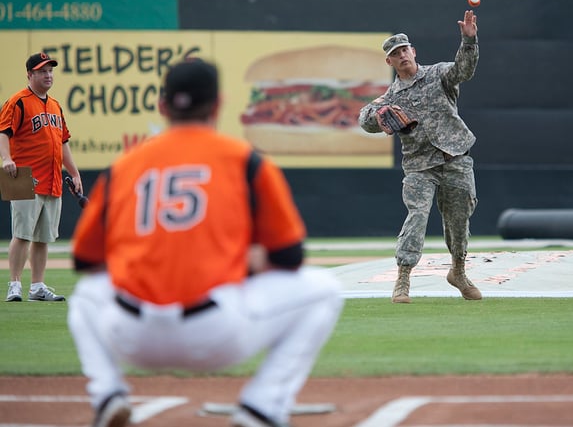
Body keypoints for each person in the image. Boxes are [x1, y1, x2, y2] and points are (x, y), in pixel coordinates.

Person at [67, 58, 343, 427]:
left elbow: (84, 260)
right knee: (324, 290)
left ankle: (107, 394)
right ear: (218, 105)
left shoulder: (124, 166)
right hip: (214, 333)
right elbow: (290, 256)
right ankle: (261, 408)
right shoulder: (245, 160)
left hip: (132, 333)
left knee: (86, 294)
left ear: (162, 106)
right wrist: (243, 261)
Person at [358, 10, 482, 304]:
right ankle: (402, 279)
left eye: (404, 50)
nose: (402, 56)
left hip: (454, 157)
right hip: (419, 167)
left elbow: (464, 70)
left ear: (413, 52)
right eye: (395, 54)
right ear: (389, 62)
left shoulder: (438, 74)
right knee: (417, 216)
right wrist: (379, 117)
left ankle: (458, 271)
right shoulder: (391, 97)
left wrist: (468, 41)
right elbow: (365, 119)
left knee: (459, 219)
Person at [0, 52, 83, 302]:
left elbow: (63, 142)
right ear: (30, 74)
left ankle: (37, 286)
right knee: (23, 234)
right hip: (23, 175)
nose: (48, 75)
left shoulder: (56, 105)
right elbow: (3, 132)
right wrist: (6, 158)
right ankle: (14, 284)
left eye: (50, 70)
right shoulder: (19, 101)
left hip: (52, 178)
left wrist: (75, 172)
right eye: (42, 71)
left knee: (43, 238)